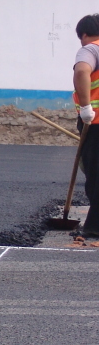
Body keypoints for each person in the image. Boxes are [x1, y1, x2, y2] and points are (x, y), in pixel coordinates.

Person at [71, 13, 99, 239]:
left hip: (96, 123)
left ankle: (95, 226)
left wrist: (85, 107)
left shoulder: (90, 48)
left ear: (85, 34)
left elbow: (81, 71)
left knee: (95, 173)